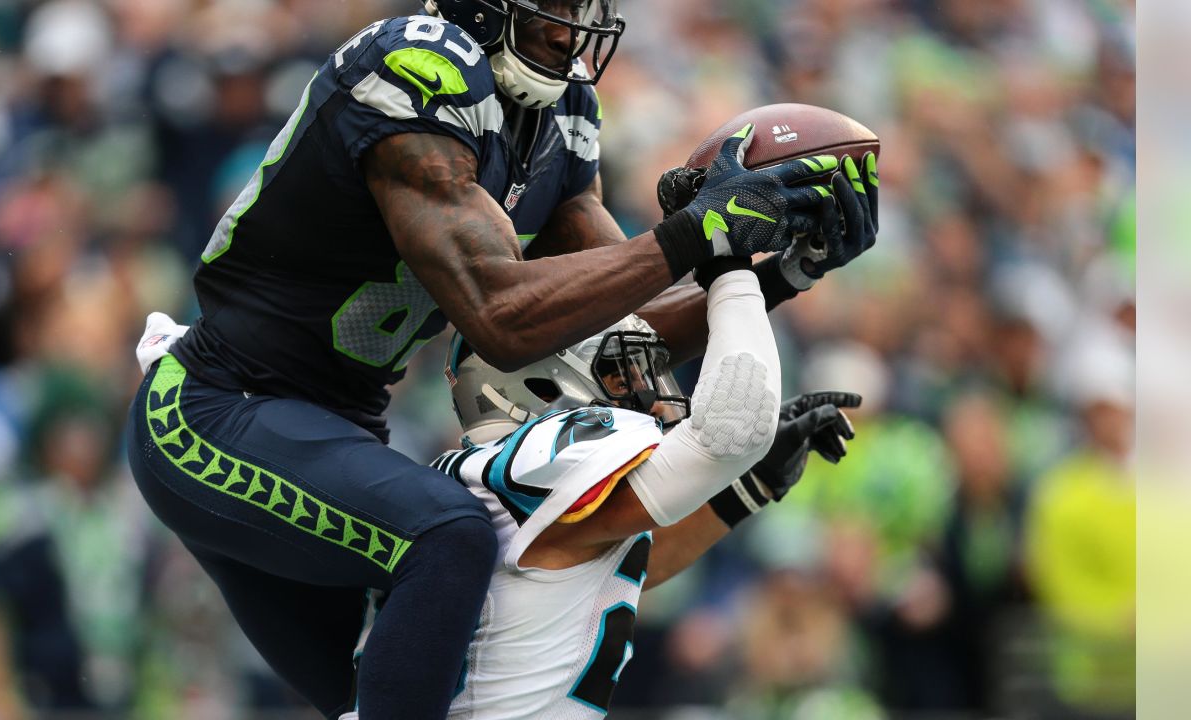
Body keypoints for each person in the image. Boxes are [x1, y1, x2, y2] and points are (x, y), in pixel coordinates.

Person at [124, 1, 879, 717]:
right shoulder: (422, 64)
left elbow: (619, 328)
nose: (577, 26)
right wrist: (702, 240)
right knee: (446, 537)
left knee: (395, 675)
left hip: (331, 435)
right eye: (557, 1)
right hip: (218, 409)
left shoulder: (563, 108)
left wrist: (779, 271)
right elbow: (502, 317)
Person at [341, 258, 859, 718]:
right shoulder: (536, 461)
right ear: (540, 387)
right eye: (615, 376)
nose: (647, 392)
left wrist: (750, 487)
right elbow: (735, 429)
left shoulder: (495, 482)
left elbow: (621, 567)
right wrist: (732, 270)